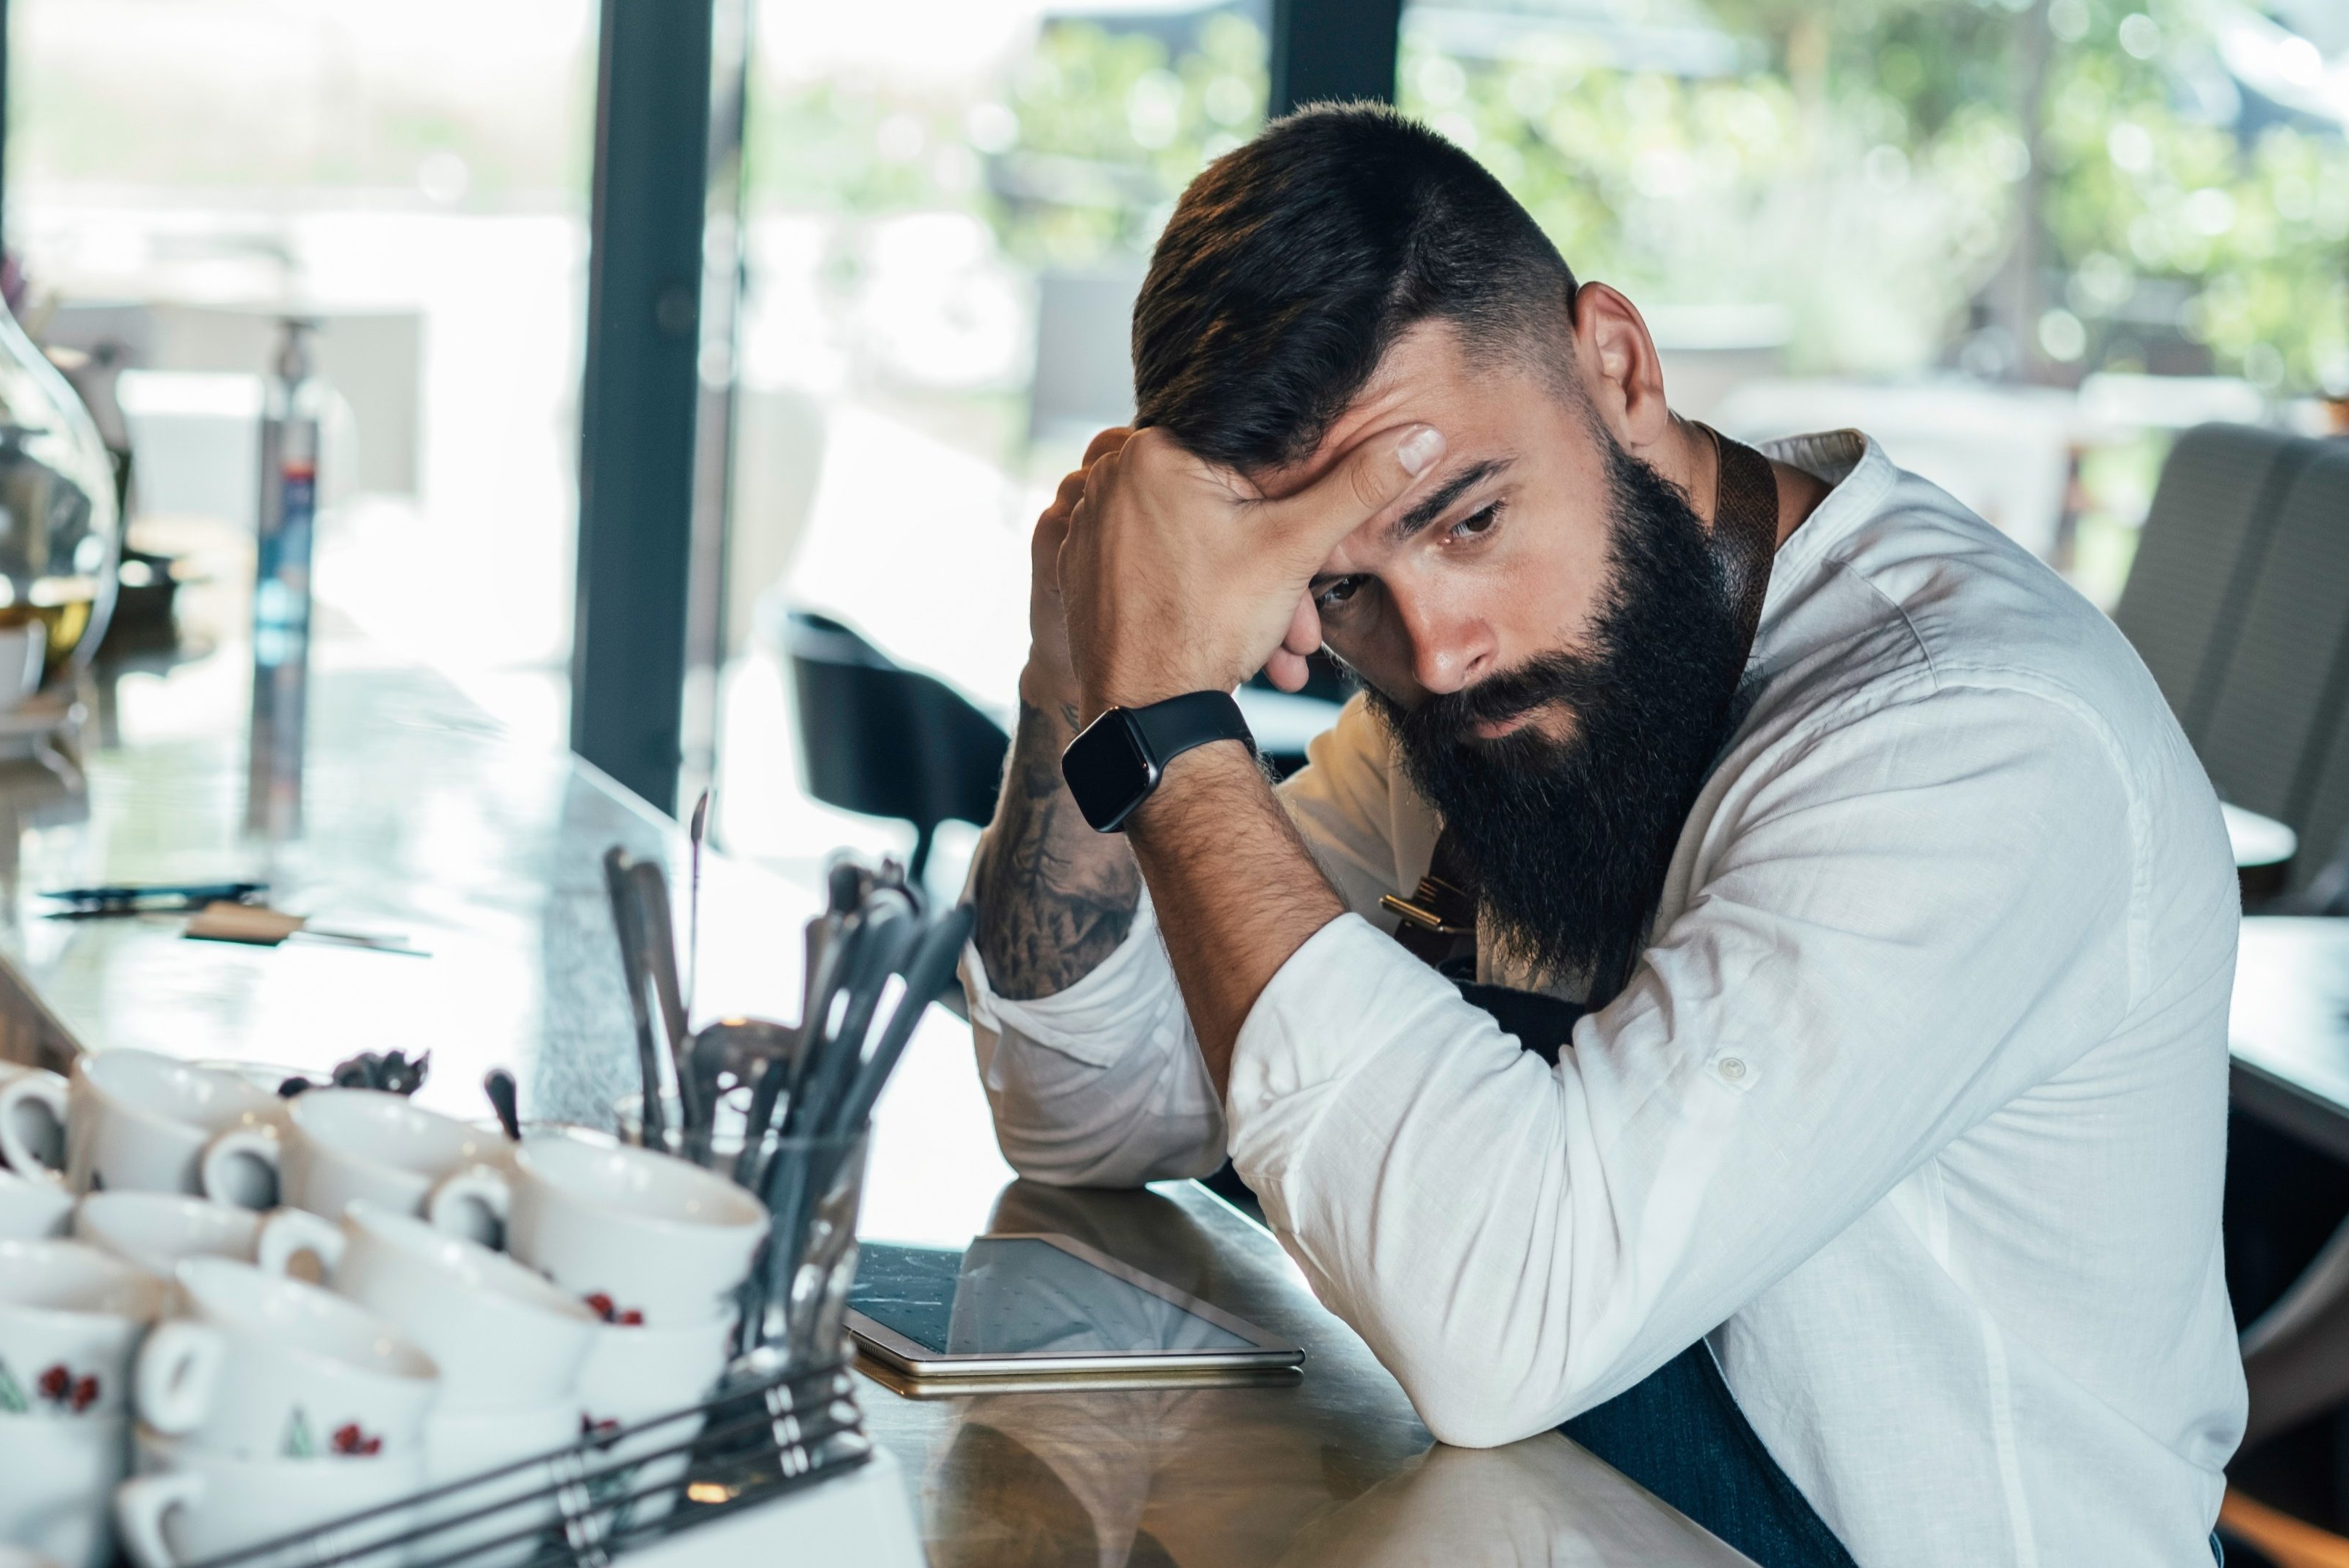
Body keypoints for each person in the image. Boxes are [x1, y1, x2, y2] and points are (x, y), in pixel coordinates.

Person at [962, 103, 2244, 1567]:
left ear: (1618, 367)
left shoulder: (1975, 737)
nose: (1437, 648)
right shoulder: (1493, 704)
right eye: (1341, 588)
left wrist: (1176, 736)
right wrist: (1083, 667)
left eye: (1470, 519)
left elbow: (1505, 1317)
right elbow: (1087, 1115)